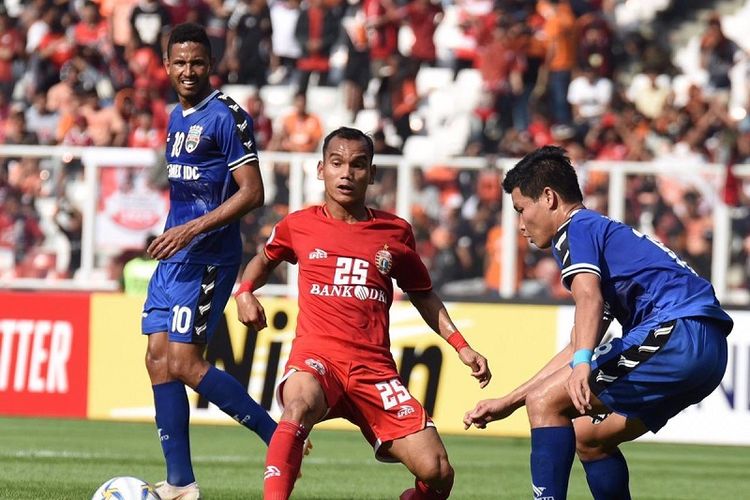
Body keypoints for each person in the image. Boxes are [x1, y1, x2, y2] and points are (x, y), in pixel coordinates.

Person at [235, 127, 492, 500]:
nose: (346, 173)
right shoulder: (298, 225)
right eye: (336, 163)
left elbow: (423, 294)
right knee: (297, 405)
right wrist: (244, 292)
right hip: (318, 358)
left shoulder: (396, 232)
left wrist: (461, 345)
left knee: (437, 473)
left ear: (371, 174)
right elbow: (264, 259)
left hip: (374, 369)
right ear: (321, 169)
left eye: (358, 165)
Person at [463, 145, 733, 500]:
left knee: (545, 404)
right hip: (707, 351)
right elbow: (580, 342)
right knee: (589, 439)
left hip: (678, 333)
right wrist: (511, 400)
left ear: (548, 198)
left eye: (521, 210)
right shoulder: (603, 235)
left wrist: (582, 365)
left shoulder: (576, 228)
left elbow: (587, 300)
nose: (521, 224)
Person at [142, 23, 275, 500]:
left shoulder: (228, 116)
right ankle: (181, 484)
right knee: (158, 361)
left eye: (197, 62)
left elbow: (254, 193)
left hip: (209, 257)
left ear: (211, 64)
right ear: (167, 65)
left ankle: (279, 439)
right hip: (175, 257)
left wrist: (191, 230)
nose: (188, 71)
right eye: (180, 62)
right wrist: (174, 233)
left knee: (183, 361)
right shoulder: (176, 115)